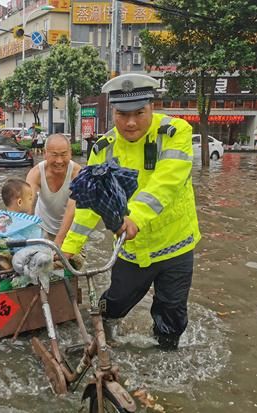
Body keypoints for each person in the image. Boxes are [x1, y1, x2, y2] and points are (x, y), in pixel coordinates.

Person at [61, 73, 200, 350]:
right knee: (115, 303)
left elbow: (167, 182)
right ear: (113, 112)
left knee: (171, 315)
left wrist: (134, 215)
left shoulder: (175, 133)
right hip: (130, 249)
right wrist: (69, 247)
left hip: (176, 245)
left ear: (152, 107)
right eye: (123, 114)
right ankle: (102, 331)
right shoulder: (103, 149)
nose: (131, 122)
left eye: (139, 112)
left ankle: (166, 359)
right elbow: (89, 204)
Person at [26, 134, 82, 246]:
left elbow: (72, 209)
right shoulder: (36, 173)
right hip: (43, 227)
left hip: (71, 230)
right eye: (54, 155)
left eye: (64, 154)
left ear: (70, 153)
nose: (59, 161)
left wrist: (59, 241)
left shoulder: (77, 173)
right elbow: (27, 204)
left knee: (72, 262)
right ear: (45, 153)